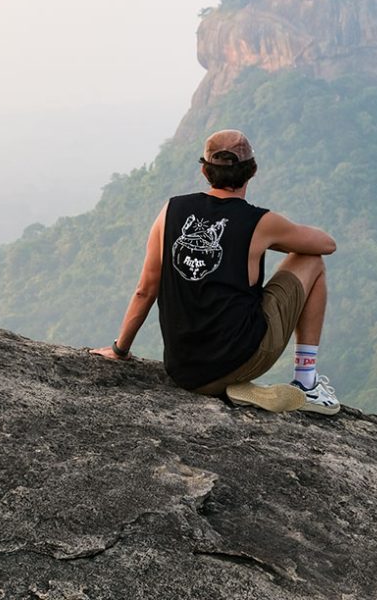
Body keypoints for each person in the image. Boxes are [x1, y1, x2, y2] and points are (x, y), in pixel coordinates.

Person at [91, 128, 340, 415]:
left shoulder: (171, 210)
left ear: (205, 171)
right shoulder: (260, 221)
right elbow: (326, 244)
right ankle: (306, 383)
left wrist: (120, 350)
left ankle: (230, 385)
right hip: (241, 359)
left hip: (184, 371)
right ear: (252, 171)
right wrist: (276, 239)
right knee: (312, 261)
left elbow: (145, 290)